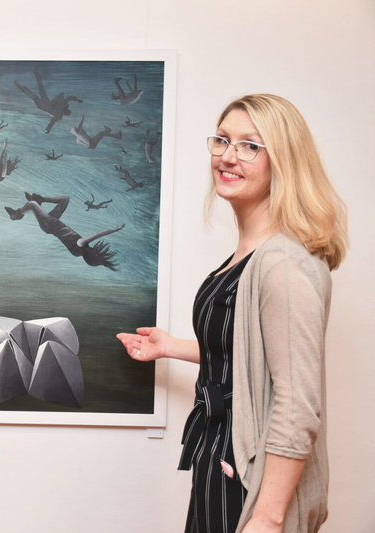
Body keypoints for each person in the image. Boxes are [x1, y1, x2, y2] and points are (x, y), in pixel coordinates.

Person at [117, 94, 347, 532]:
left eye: (250, 145)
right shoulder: (251, 254)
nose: (227, 156)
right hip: (220, 460)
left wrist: (268, 518)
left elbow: (298, 406)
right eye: (222, 140)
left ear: (283, 160)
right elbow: (250, 353)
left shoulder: (283, 264)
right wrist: (172, 347)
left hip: (250, 484)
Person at [5, 192, 125, 269]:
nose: (95, 249)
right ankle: (40, 199)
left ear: (91, 253)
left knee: (31, 204)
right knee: (65, 199)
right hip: (53, 222)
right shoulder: (78, 252)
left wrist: (115, 229)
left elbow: (97, 235)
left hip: (49, 224)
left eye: (95, 252)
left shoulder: (80, 244)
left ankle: (17, 215)